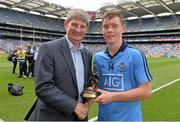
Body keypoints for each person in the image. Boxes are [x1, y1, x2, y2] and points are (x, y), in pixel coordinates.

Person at [26, 9, 92, 121]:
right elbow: (43, 87)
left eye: (82, 26)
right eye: (74, 24)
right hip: (52, 117)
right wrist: (74, 106)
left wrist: (91, 91)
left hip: (78, 117)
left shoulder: (88, 54)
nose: (78, 29)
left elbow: (81, 86)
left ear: (86, 29)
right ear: (66, 24)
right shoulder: (48, 48)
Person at [94, 11, 152, 121]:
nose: (109, 30)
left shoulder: (136, 54)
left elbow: (146, 91)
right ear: (102, 30)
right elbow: (96, 86)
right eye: (106, 26)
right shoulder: (97, 57)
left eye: (114, 26)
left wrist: (112, 96)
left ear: (123, 29)